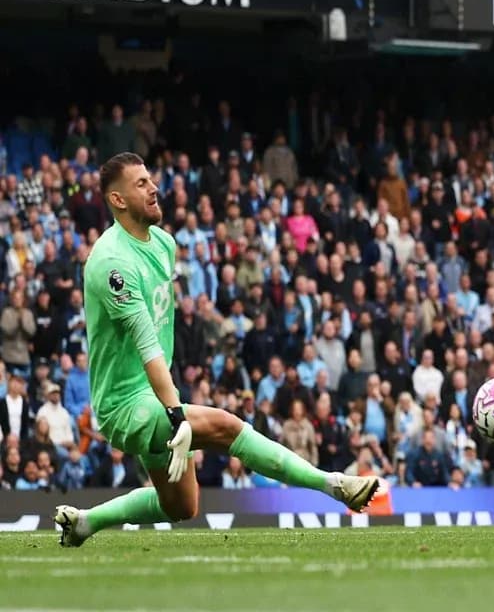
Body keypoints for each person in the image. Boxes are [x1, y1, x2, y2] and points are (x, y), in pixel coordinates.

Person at [55, 153, 379, 547]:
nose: (154, 187)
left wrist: (170, 407)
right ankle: (333, 484)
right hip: (124, 404)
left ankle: (86, 523)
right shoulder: (111, 264)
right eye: (140, 183)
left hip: (155, 393)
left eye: (150, 179)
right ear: (118, 200)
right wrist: (176, 414)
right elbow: (146, 344)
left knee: (182, 506)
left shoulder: (163, 245)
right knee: (225, 426)